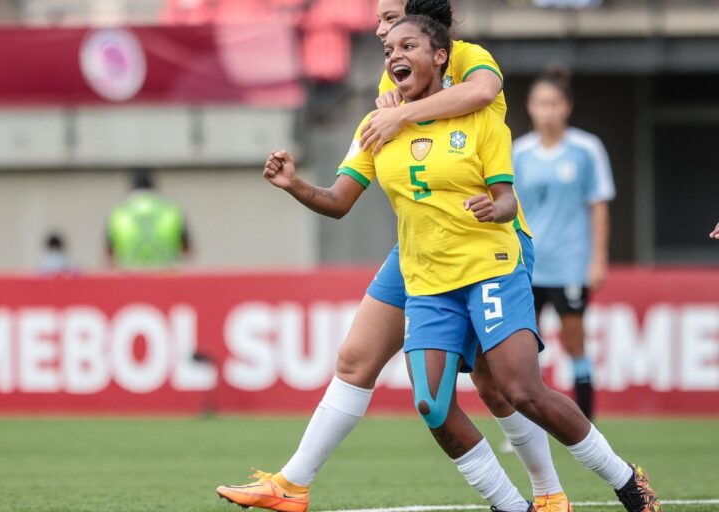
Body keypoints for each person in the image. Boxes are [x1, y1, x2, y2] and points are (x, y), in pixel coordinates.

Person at [216, 1, 570, 511]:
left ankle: (549, 494)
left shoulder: (466, 56)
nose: (382, 31)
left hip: (485, 240)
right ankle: (292, 483)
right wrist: (298, 182)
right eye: (384, 30)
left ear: (431, 34)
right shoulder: (385, 104)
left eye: (391, 19)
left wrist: (401, 110)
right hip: (417, 249)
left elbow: (485, 93)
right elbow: (340, 198)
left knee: (501, 388)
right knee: (357, 360)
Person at [358, 16, 658, 511]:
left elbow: (507, 199)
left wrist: (495, 208)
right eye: (387, 43)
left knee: (520, 389)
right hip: (430, 278)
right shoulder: (381, 121)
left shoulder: (481, 100)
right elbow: (341, 194)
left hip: (496, 262)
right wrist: (296, 185)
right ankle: (517, 504)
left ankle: (626, 478)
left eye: (403, 38)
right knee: (435, 403)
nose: (390, 48)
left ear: (441, 54)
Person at [512, 69, 615, 420]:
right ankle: (530, 427)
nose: (548, 111)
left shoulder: (587, 149)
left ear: (566, 107)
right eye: (541, 103)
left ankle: (587, 423)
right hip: (527, 264)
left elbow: (599, 204)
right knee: (523, 348)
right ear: (530, 107)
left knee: (574, 343)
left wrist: (598, 259)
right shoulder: (519, 152)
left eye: (554, 103)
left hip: (570, 262)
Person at [106, 168, 191, 270]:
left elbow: (109, 254)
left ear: (130, 187)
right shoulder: (172, 210)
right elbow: (186, 249)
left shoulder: (119, 212)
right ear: (154, 186)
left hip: (129, 276)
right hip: (166, 276)